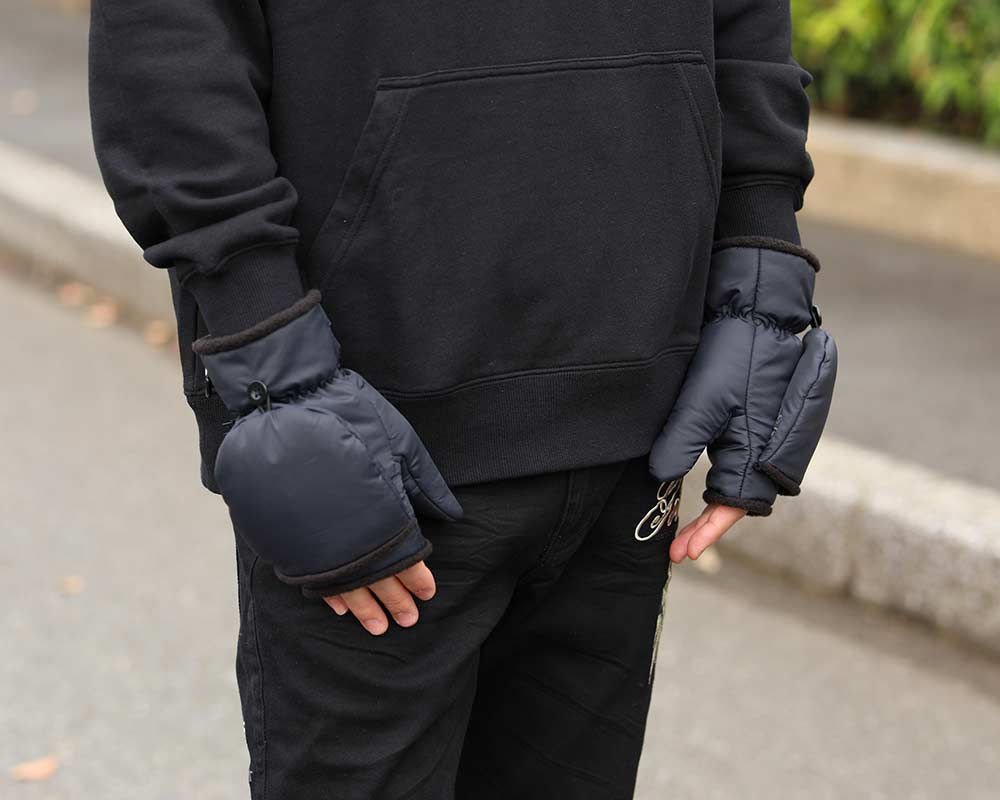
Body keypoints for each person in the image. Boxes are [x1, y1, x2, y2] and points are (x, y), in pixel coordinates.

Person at [88, 1, 836, 797]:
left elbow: (746, 20)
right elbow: (167, 43)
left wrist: (761, 265)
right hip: (373, 448)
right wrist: (274, 358)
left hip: (635, 433)